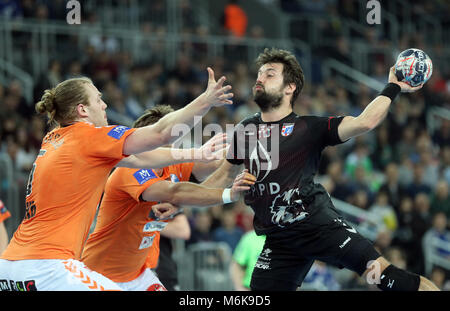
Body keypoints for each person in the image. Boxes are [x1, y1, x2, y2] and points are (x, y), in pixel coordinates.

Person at [156, 47, 440, 291]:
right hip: (280, 240)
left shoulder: (310, 128)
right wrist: (181, 204)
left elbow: (364, 122)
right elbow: (221, 176)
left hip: (319, 227)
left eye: (269, 74)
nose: (260, 78)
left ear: (290, 87)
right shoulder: (246, 129)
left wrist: (393, 87)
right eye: (259, 74)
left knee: (384, 277)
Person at [0, 68, 234, 291]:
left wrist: (197, 153)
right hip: (47, 265)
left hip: (15, 263)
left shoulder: (55, 138)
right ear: (82, 110)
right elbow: (160, 133)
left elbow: (140, 159)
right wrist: (205, 101)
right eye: (98, 99)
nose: (105, 105)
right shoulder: (90, 137)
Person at [81, 105, 254, 291]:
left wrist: (243, 146)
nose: (176, 139)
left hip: (138, 274)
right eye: (171, 134)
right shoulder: (130, 169)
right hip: (101, 274)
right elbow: (175, 192)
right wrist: (229, 194)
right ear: (149, 138)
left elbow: (219, 164)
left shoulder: (172, 164)